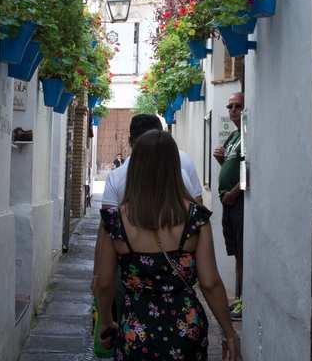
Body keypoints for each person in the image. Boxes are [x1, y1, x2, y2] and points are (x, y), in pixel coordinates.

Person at [94, 130, 239, 361]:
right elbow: (210, 283)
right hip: (187, 330)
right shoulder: (196, 217)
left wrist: (105, 321)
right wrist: (229, 333)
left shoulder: (115, 220)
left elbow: (103, 281)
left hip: (136, 330)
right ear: (173, 166)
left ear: (136, 166)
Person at [102, 114, 203, 207]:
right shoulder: (182, 169)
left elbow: (108, 222)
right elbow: (197, 205)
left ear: (130, 141)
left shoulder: (116, 176)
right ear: (162, 136)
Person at [214, 91, 244, 320]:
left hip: (238, 203)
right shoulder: (234, 136)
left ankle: (242, 301)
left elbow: (249, 169)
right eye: (230, 106)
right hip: (229, 204)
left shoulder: (247, 134)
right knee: (236, 253)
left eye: (237, 106)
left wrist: (233, 194)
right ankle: (238, 299)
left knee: (242, 253)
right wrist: (220, 159)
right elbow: (231, 165)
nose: (233, 110)